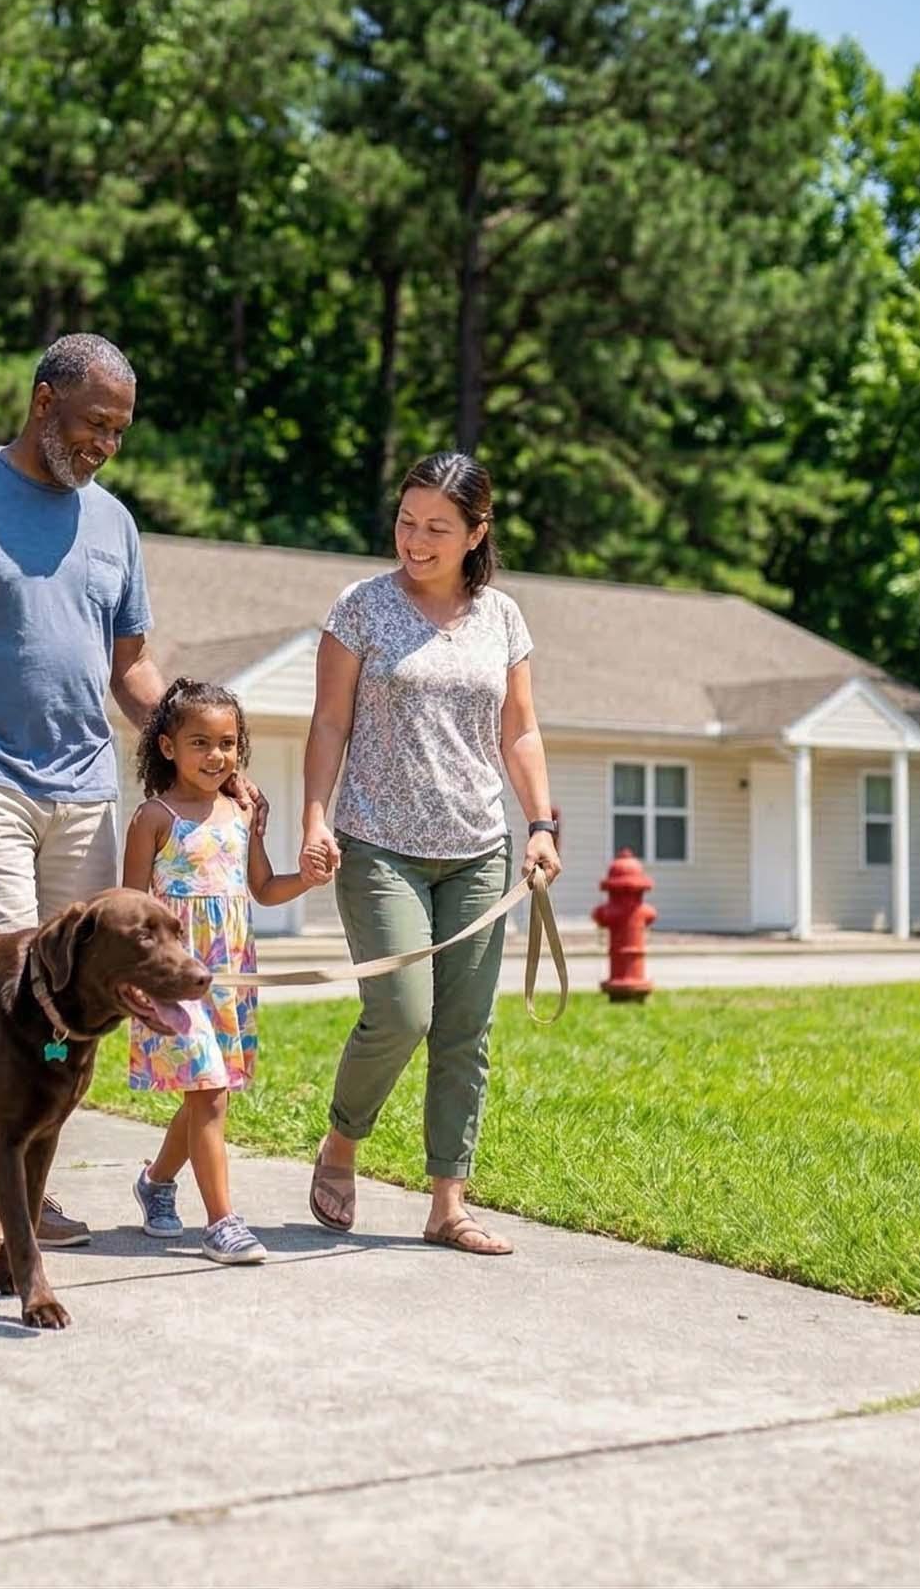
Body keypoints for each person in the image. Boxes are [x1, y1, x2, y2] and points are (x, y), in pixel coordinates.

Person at [0, 333, 256, 1264]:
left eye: (119, 432)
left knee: (70, 1005)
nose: (105, 445)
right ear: (43, 402)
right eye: (92, 425)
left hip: (83, 784)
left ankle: (27, 1188)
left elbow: (131, 669)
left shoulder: (113, 523)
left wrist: (196, 753)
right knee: (4, 990)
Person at [298, 451, 562, 1257]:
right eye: (406, 522)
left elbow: (518, 730)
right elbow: (330, 722)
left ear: (477, 532)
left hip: (478, 850)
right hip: (379, 844)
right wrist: (315, 818)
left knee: (463, 1030)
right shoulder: (363, 608)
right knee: (403, 1011)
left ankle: (448, 1201)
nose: (414, 540)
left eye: (437, 528)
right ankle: (343, 1142)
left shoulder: (503, 618)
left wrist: (542, 825)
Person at [121, 679, 331, 1265]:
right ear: (167, 748)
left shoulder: (241, 814)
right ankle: (222, 1224)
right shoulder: (153, 818)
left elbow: (262, 889)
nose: (217, 756)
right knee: (209, 1093)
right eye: (201, 743)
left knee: (206, 1096)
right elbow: (131, 907)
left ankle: (156, 1183)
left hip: (230, 975)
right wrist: (136, 979)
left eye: (228, 743)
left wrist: (308, 880)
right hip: (174, 981)